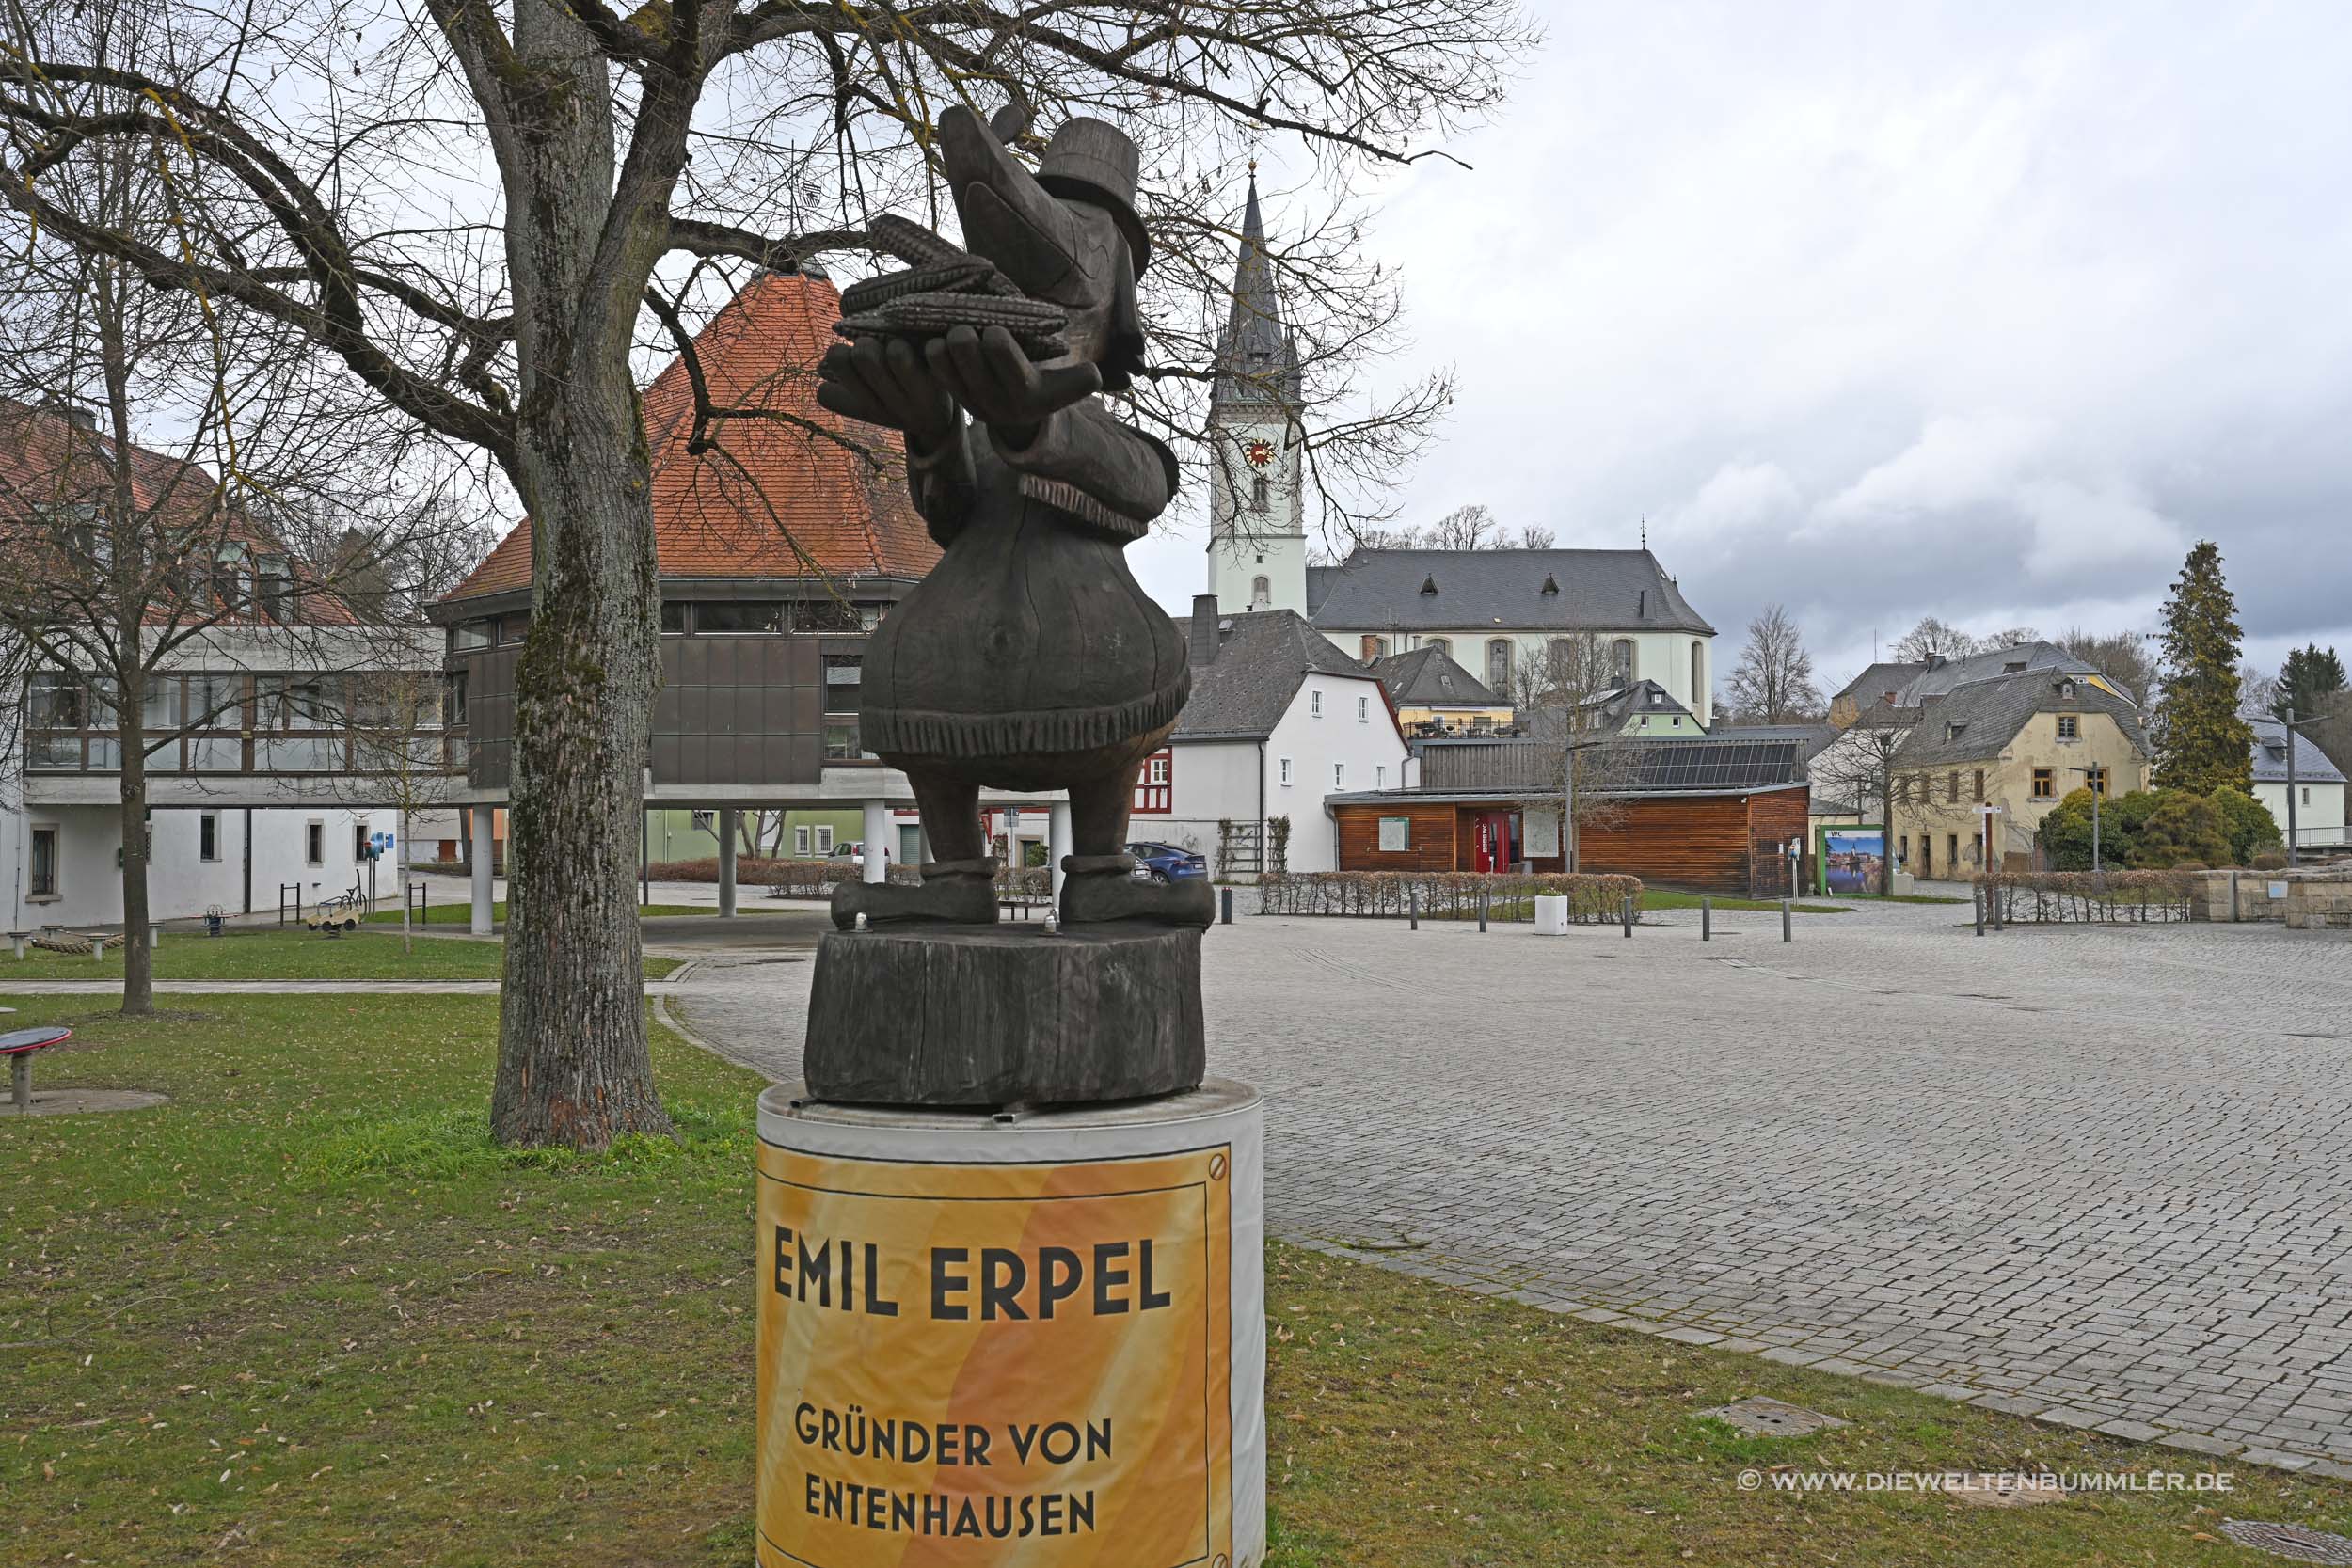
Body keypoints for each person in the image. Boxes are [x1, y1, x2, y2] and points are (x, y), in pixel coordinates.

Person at [817, 107, 1212, 931]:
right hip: (955, 660)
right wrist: (929, 430)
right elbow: (949, 511)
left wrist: (1036, 425)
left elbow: (1141, 483)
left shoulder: (1105, 431)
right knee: (905, 664)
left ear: (1118, 303)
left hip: (1087, 663)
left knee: (1136, 661)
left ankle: (1100, 867)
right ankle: (956, 872)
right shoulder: (977, 427)